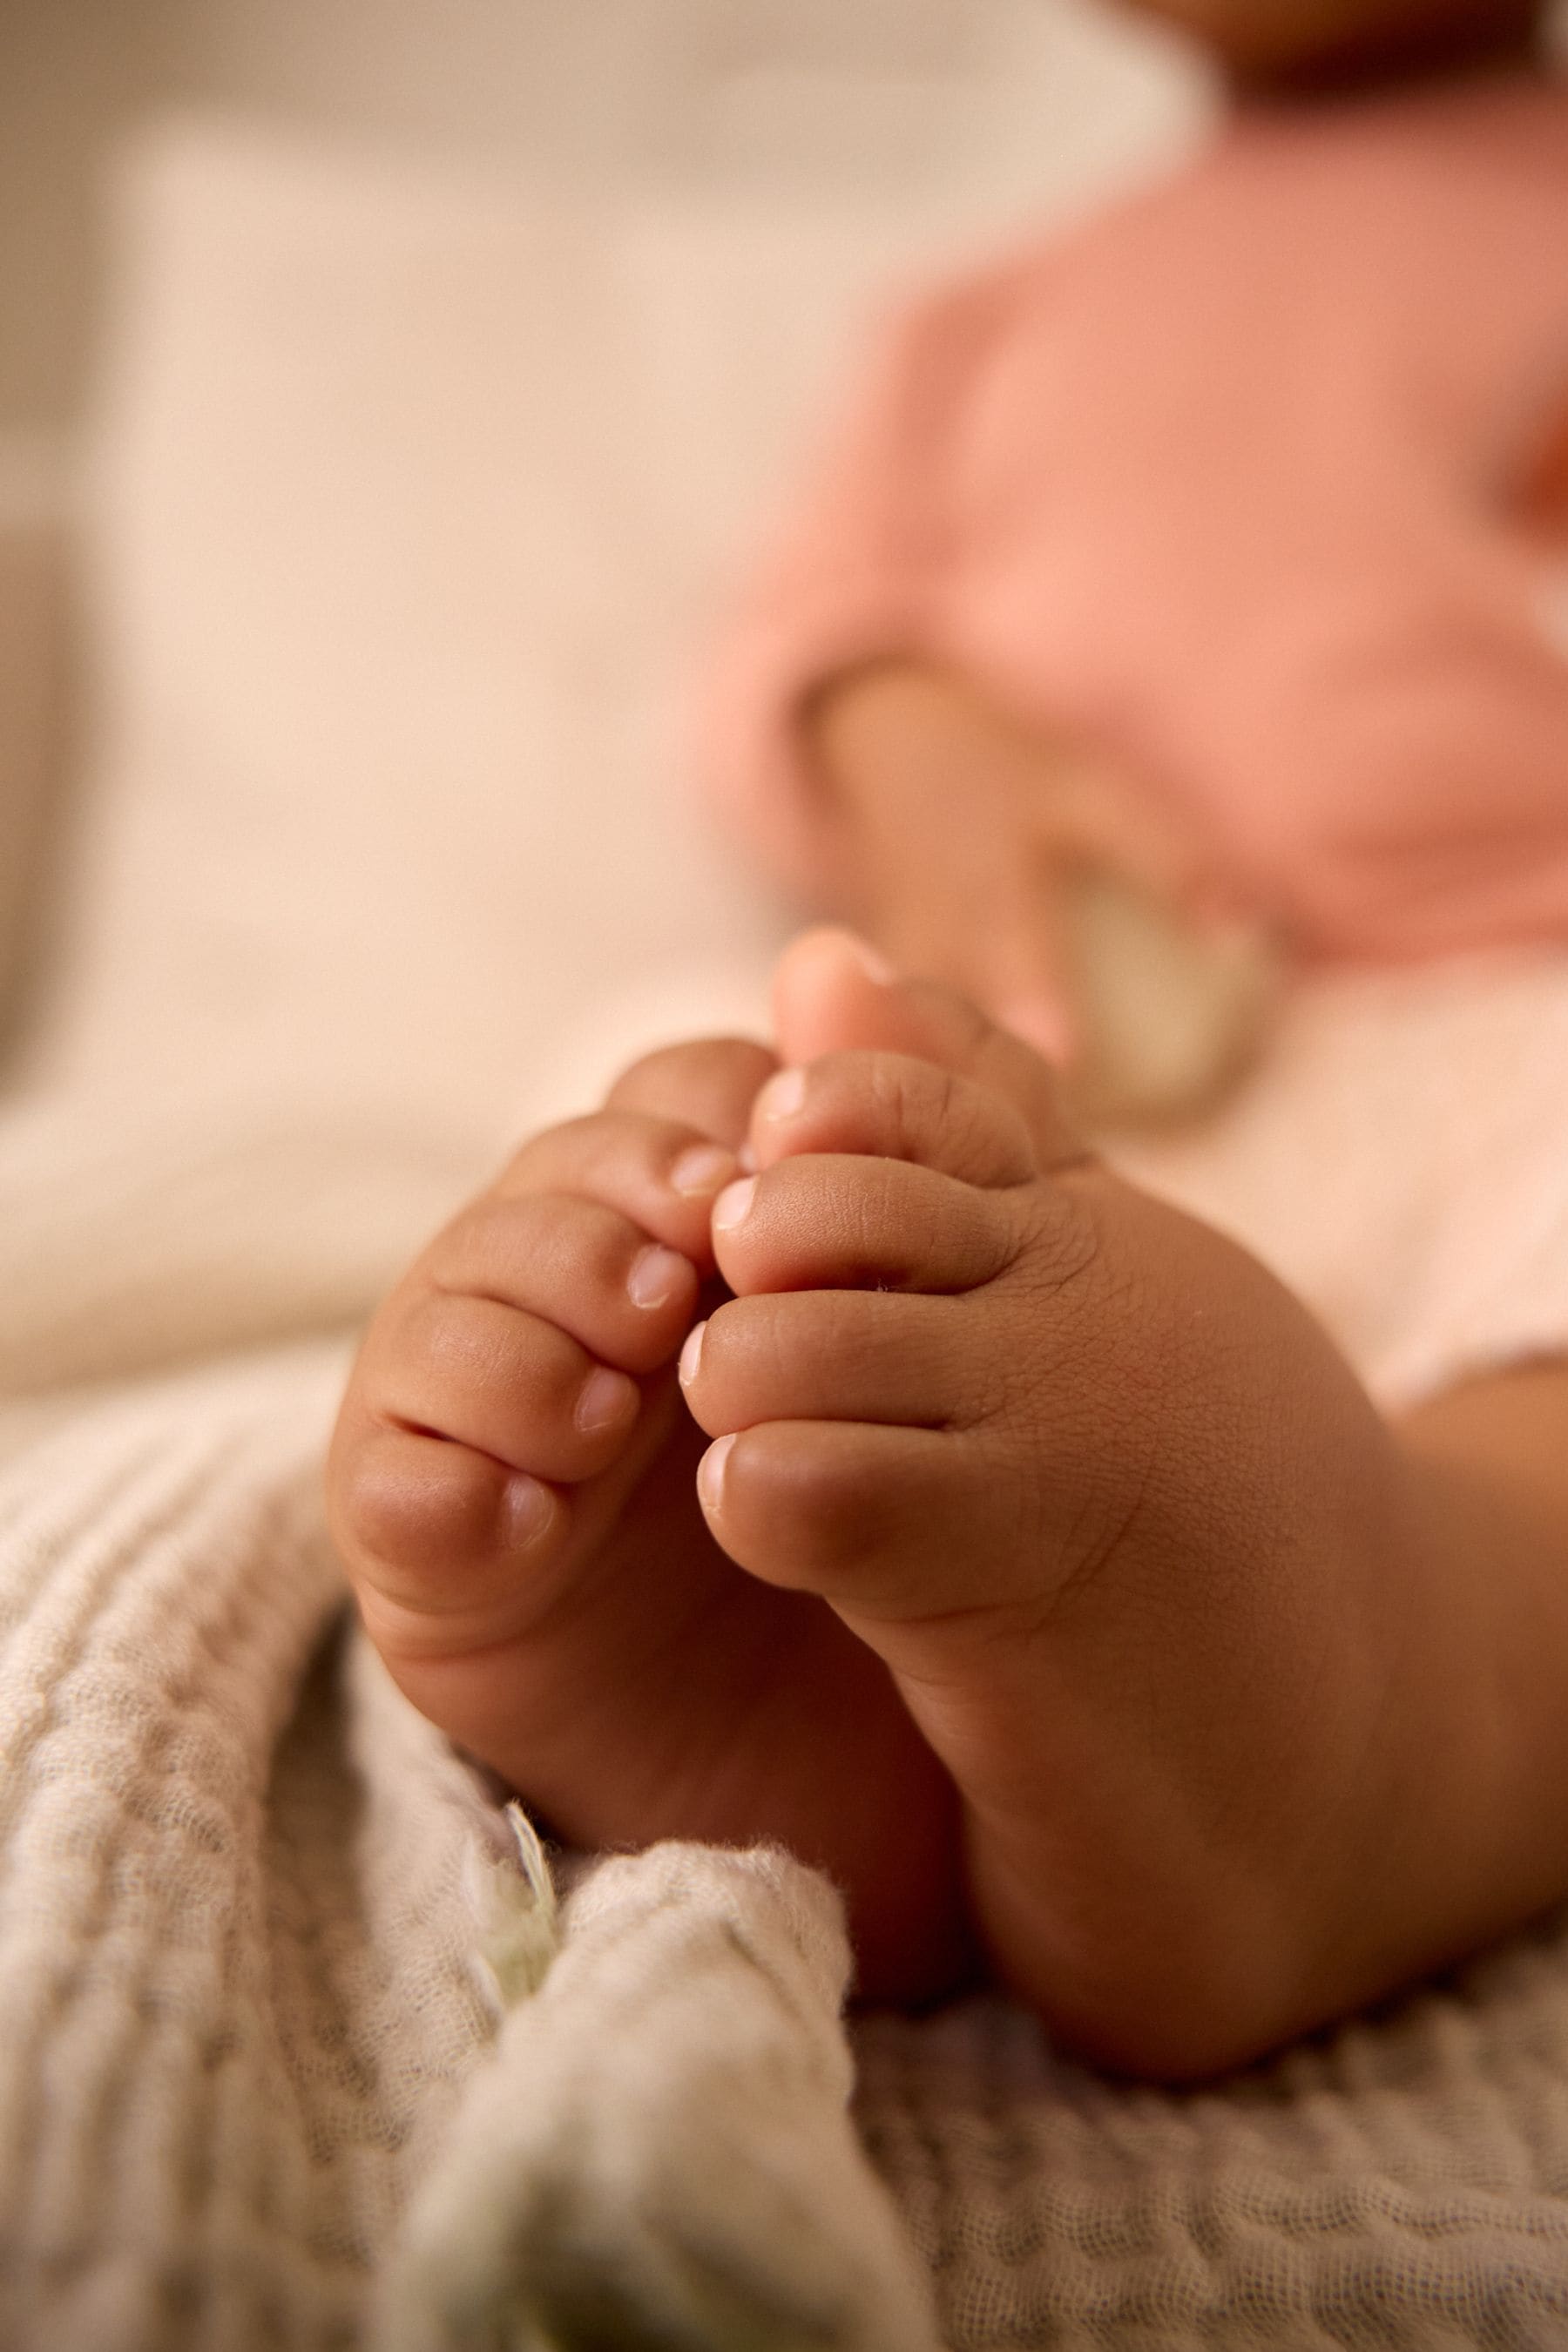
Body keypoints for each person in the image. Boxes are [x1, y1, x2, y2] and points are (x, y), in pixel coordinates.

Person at [326, 0, 1568, 2080]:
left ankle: (1364, 1722)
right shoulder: (991, 307)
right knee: (699, 1092)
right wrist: (907, 732)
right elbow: (813, 630)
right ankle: (869, 1690)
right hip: (1023, 1124)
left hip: (1518, 1026)